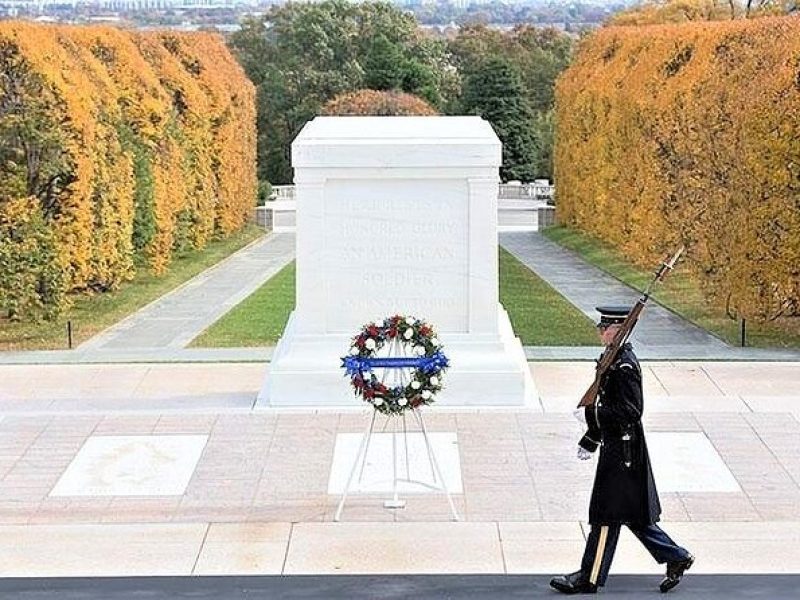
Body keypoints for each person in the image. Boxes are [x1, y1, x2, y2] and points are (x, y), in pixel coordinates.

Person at [550, 306, 694, 595]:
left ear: (618, 329)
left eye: (605, 327)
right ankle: (676, 556)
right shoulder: (613, 359)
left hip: (624, 451)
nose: (600, 331)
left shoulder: (624, 365)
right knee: (632, 515)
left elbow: (631, 410)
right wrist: (591, 438)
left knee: (606, 514)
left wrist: (594, 415)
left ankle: (588, 577)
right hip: (619, 445)